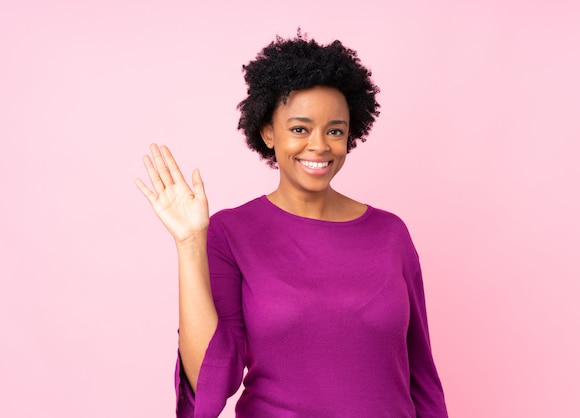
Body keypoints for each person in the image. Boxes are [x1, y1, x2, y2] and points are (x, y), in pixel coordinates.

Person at [136, 32, 448, 418]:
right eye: (300, 129)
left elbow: (422, 376)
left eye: (334, 130)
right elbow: (209, 379)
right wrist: (189, 243)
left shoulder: (390, 234)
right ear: (268, 132)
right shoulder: (230, 233)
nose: (319, 145)